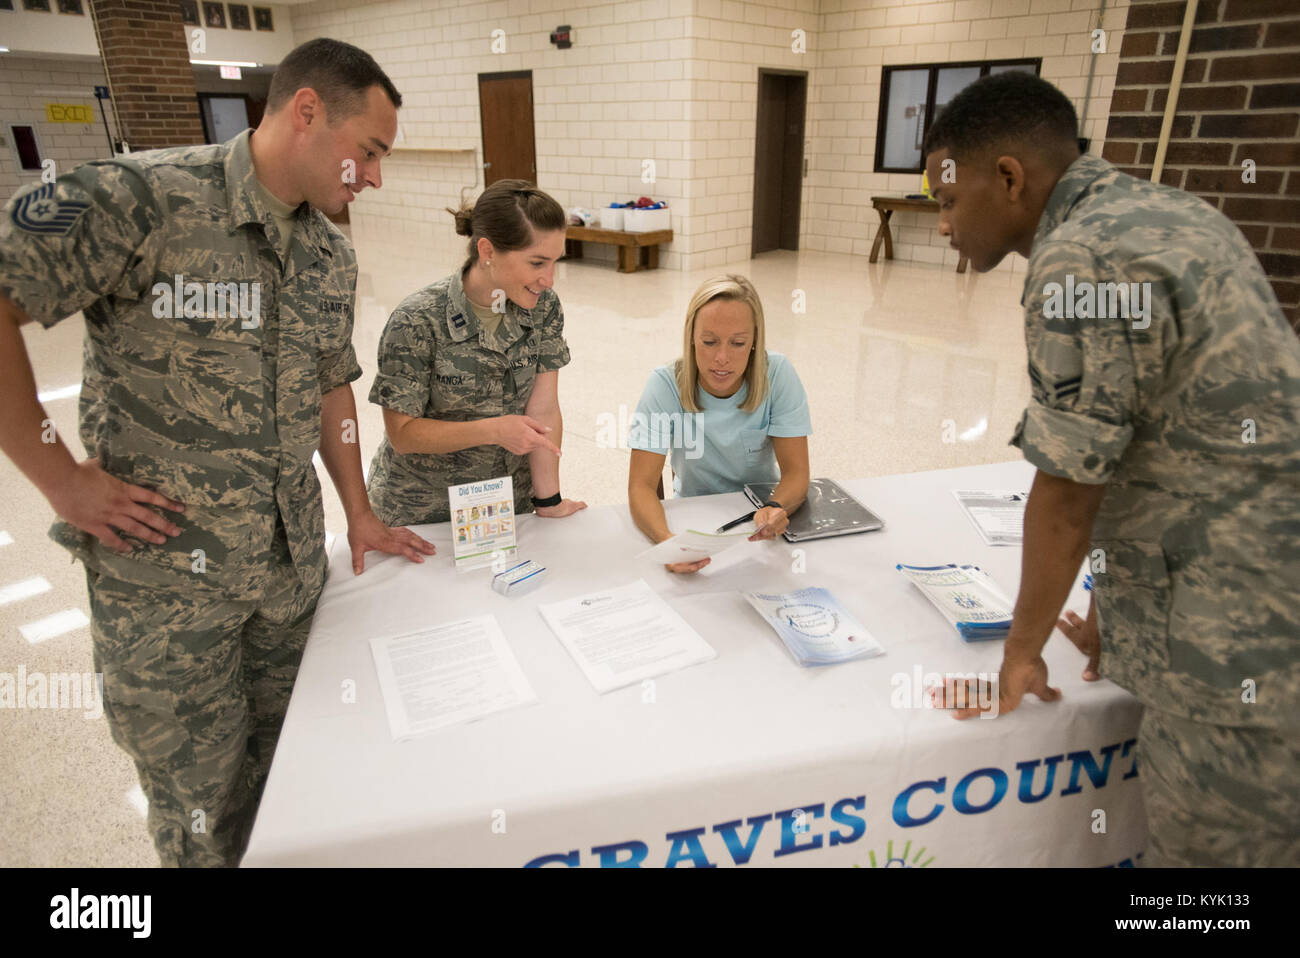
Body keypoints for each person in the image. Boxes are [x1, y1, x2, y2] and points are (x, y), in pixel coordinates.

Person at [0, 38, 436, 867]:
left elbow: (330, 386)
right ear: (307, 111)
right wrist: (60, 480)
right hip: (167, 594)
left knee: (292, 784)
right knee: (201, 809)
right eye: (369, 152)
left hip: (288, 578)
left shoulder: (329, 252)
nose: (373, 177)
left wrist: (360, 513)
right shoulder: (137, 198)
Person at [921, 72, 1299, 866]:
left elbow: (1068, 488)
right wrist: (1122, 614)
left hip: (1237, 638)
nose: (944, 224)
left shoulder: (1079, 263)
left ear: (1011, 178)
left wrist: (1021, 652)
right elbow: (1168, 447)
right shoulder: (1169, 212)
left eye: (950, 201)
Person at [366, 179, 586, 525]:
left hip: (502, 511)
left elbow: (543, 409)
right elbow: (403, 434)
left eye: (556, 262)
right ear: (487, 252)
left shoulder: (543, 308)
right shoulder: (418, 319)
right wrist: (494, 430)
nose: (549, 280)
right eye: (537, 263)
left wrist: (548, 500)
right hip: (419, 515)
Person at [627, 274, 811, 573]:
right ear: (691, 338)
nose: (722, 358)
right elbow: (640, 486)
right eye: (709, 342)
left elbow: (797, 472)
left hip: (761, 516)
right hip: (693, 516)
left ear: (754, 342)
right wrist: (668, 543)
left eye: (738, 343)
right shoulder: (664, 383)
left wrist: (776, 507)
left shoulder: (777, 374)